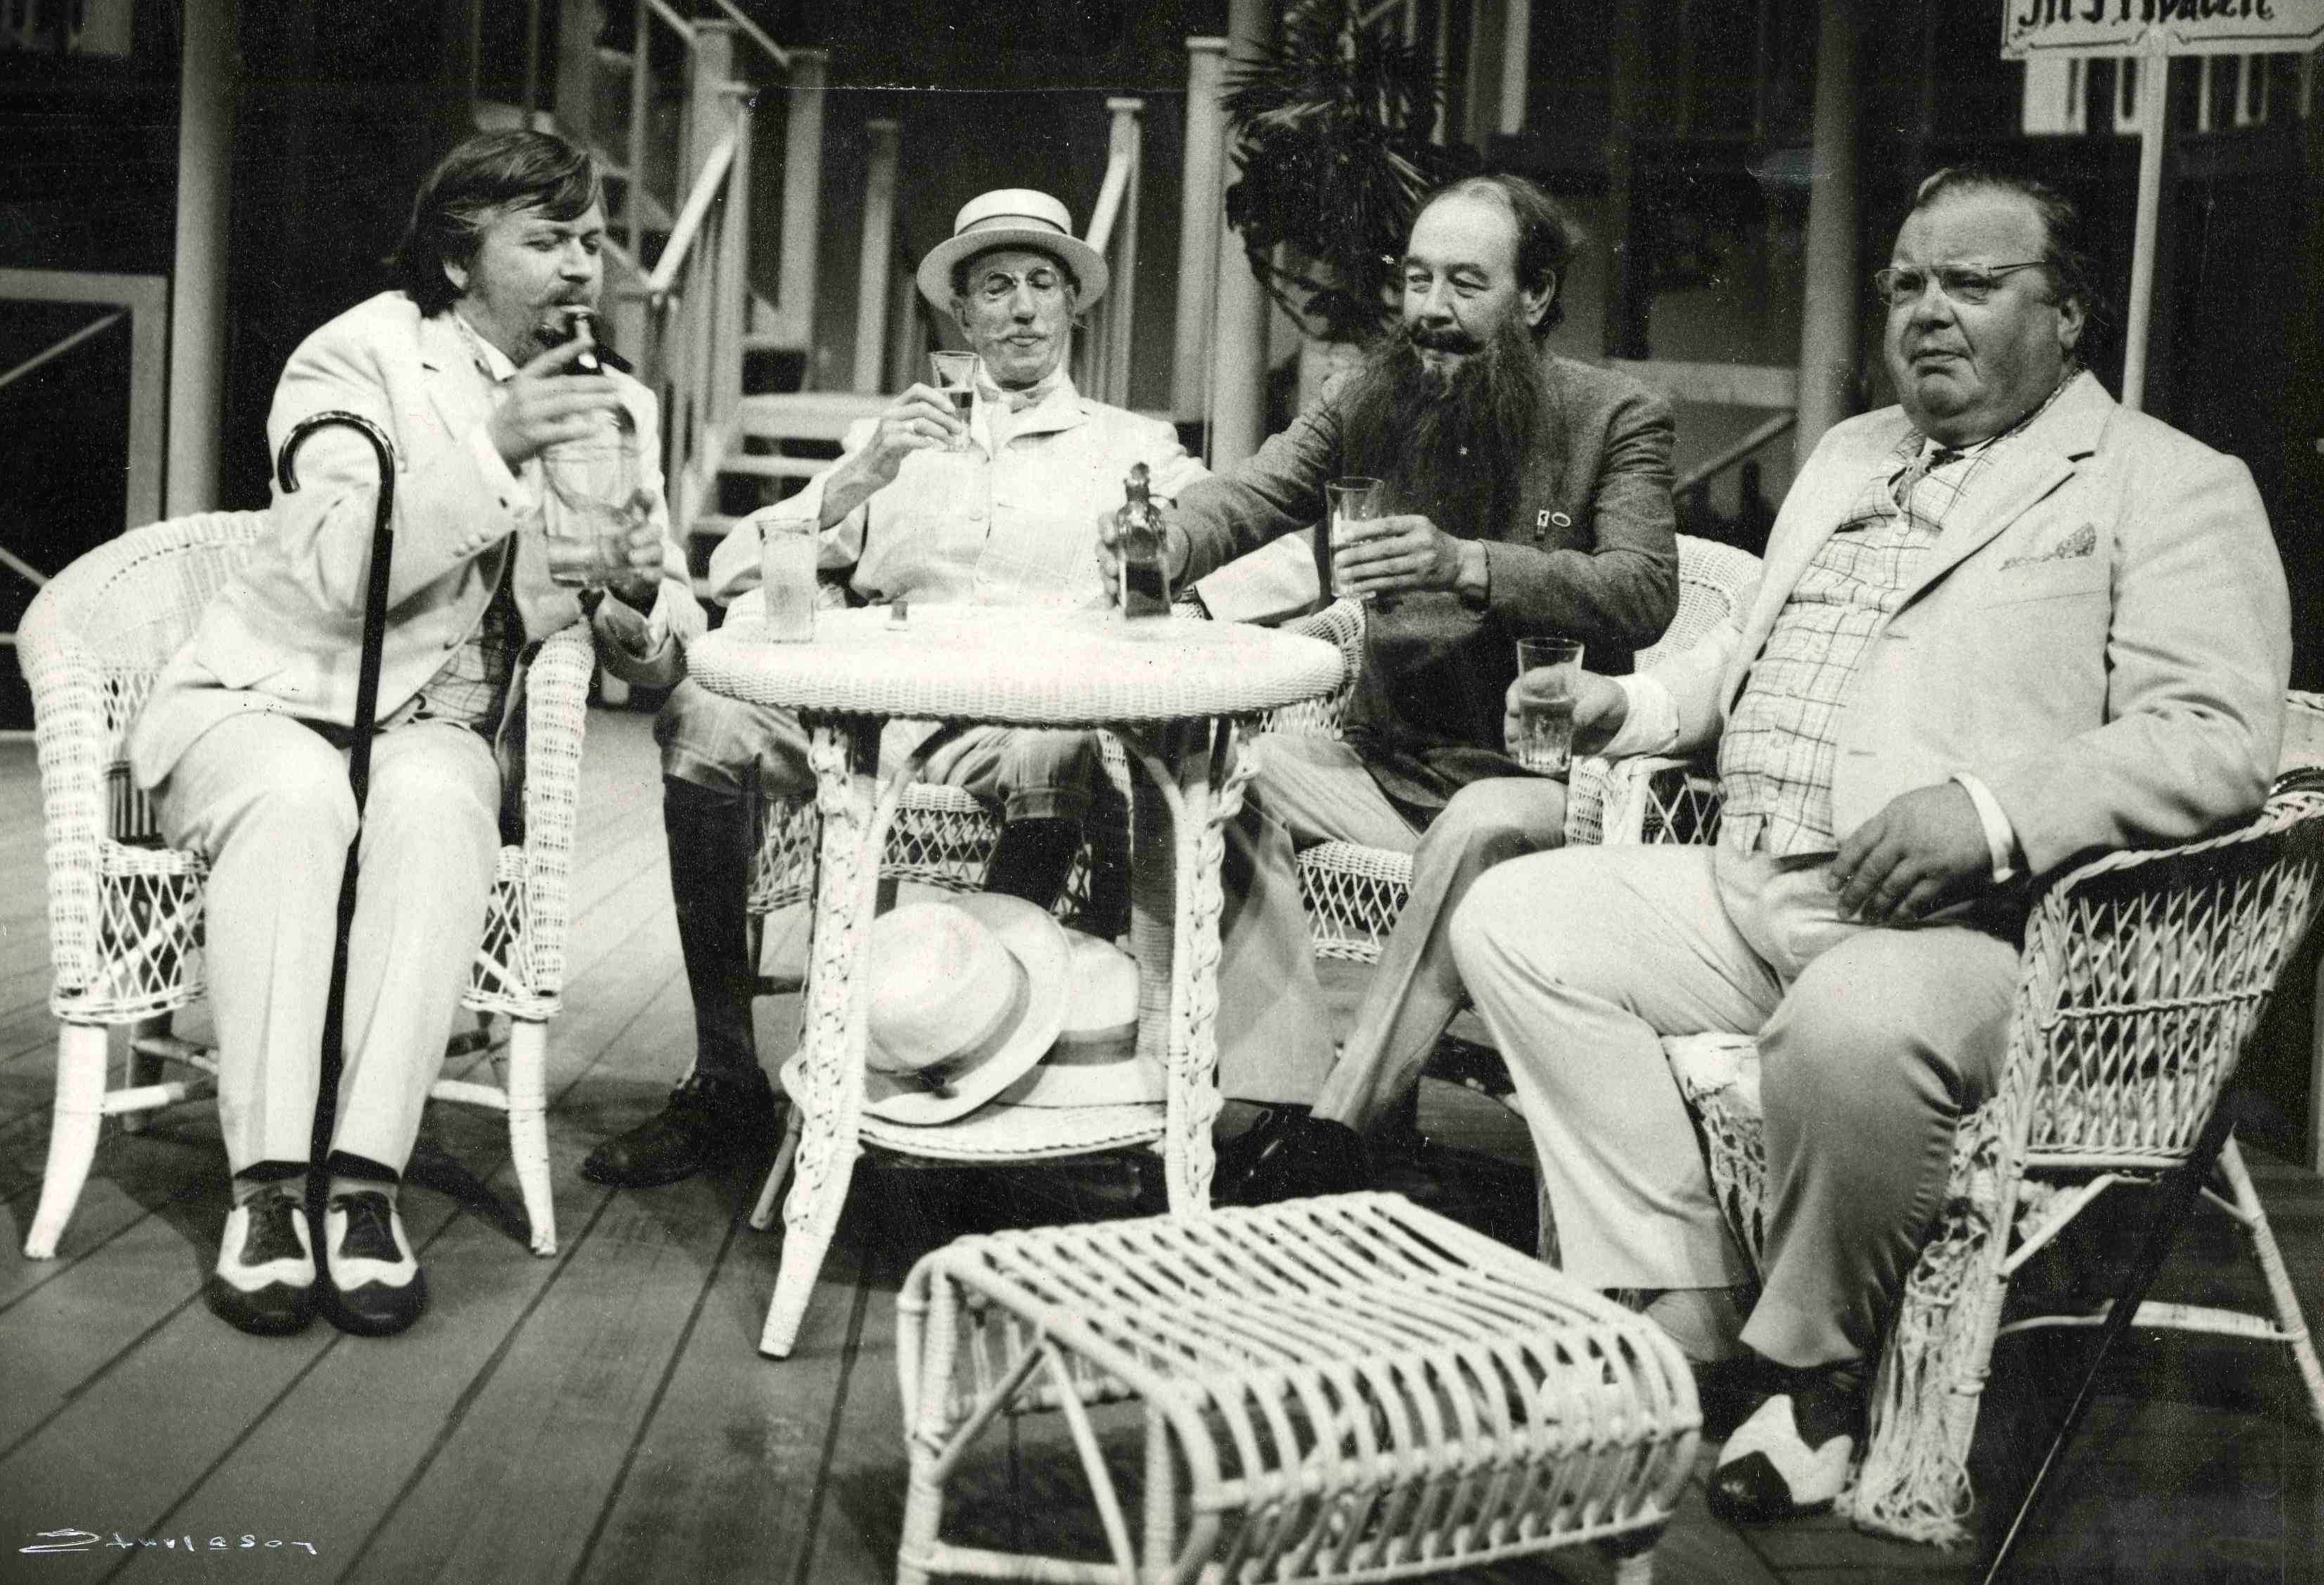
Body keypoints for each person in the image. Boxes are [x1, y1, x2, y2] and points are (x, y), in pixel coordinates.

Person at [1442, 165, 2290, 1521]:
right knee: (1511, 917)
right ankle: (1685, 1290)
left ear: (2068, 314)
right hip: (1757, 879)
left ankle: (1805, 1370)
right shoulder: (1847, 455)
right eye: (1906, 284)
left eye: (1972, 283)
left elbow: (2212, 737)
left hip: (1987, 935)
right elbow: (1750, 648)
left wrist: (1991, 814)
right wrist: (1630, 708)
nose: (1926, 312)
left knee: (1849, 1023)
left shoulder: (2167, 483)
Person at [581, 188, 1314, 1189]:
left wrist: (1153, 589)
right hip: (870, 720)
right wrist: (861, 476)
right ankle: (722, 1076)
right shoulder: (894, 443)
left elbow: (1276, 566)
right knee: (700, 716)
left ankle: (971, 1056)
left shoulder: (1132, 448)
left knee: (1060, 745)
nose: (1022, 308)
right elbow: (735, 565)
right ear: (961, 315)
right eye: (996, 288)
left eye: (1043, 284)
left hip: (1032, 726)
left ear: (1073, 307)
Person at [131, 129, 700, 1337]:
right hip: (273, 694)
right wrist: (497, 446)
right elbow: (344, 562)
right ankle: (266, 1192)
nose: (582, 267)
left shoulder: (617, 404)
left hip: (441, 719)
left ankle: (363, 1187)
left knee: (440, 807)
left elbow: (652, 640)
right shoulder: (356, 356)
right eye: (546, 241)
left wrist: (640, 600)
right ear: (456, 260)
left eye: (592, 241)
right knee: (299, 801)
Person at [1106, 174, 1679, 1157]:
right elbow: (1249, 495)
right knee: (1204, 769)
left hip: (1541, 782)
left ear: (1534, 296)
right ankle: (1278, 1094)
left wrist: (1467, 564)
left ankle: (1342, 1128)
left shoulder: (1613, 415)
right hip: (1377, 767)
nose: (1431, 310)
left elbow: (1642, 588)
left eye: (1465, 283)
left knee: (1477, 825)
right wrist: (1156, 539)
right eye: (1417, 280)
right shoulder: (1364, 399)